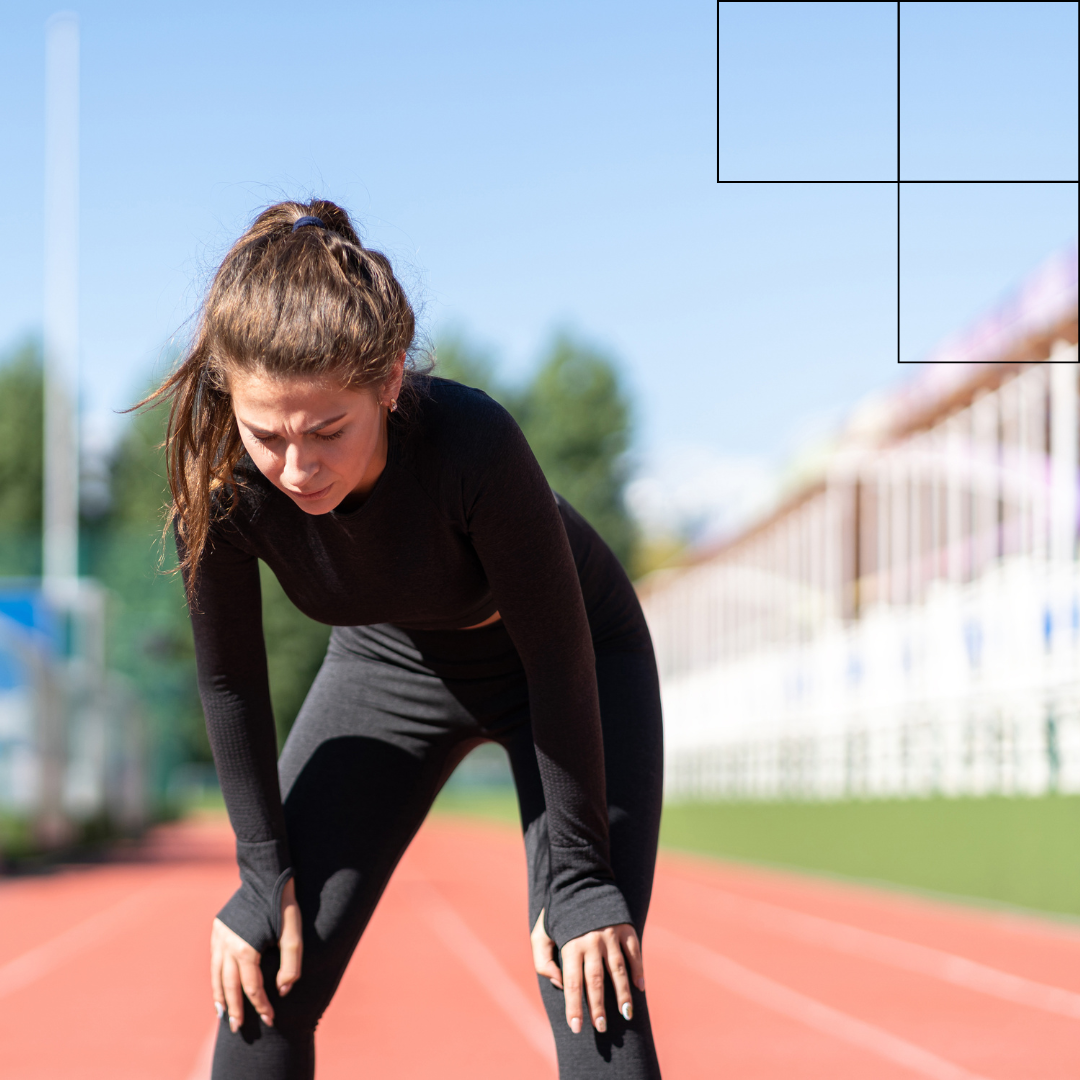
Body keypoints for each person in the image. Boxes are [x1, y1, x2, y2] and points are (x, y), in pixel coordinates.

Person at [144, 199, 664, 1079]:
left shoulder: (473, 445)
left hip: (567, 662)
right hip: (387, 658)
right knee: (263, 979)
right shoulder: (222, 475)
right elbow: (231, 681)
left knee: (590, 982)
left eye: (328, 431)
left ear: (388, 381)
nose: (298, 468)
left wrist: (577, 877)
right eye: (269, 433)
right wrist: (260, 875)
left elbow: (558, 654)